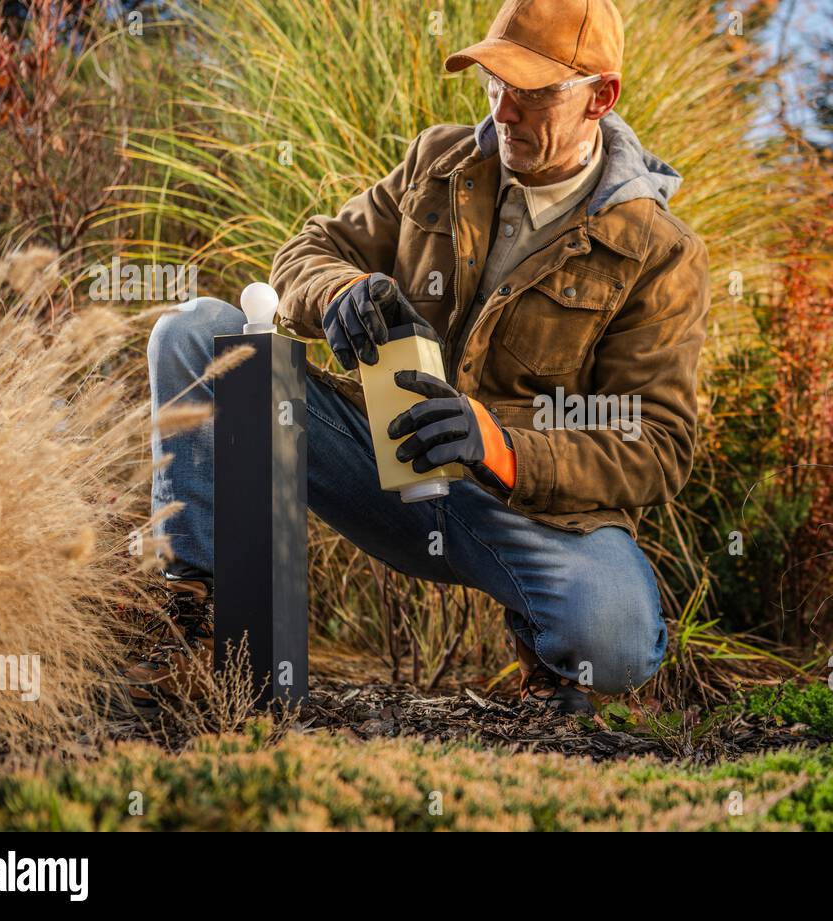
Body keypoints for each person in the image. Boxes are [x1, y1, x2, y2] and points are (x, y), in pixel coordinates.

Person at [126, 0, 710, 715]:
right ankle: (199, 626)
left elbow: (658, 446)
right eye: (496, 82)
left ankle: (549, 650)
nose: (506, 110)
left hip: (521, 514)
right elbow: (304, 253)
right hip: (375, 454)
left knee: (614, 634)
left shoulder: (661, 251)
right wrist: (340, 293)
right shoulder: (440, 162)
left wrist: (499, 446)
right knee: (195, 333)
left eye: (533, 91)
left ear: (602, 97)